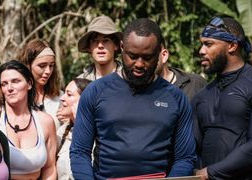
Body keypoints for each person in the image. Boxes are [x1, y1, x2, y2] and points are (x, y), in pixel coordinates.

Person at [70, 18, 196, 180]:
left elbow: (185, 158)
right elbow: (79, 152)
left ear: (159, 53)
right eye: (132, 56)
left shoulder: (176, 98)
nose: (139, 64)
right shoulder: (95, 92)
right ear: (122, 48)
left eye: (147, 57)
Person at [193, 16, 252, 180]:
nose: (201, 51)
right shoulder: (202, 95)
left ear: (232, 46)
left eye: (208, 44)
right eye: (202, 44)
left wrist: (211, 172)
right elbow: (192, 148)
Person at [0, 60, 57, 180]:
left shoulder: (45, 121)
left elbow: (50, 168)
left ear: (29, 84)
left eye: (15, 81)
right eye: (4, 84)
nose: (9, 88)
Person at [18, 39, 63, 129]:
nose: (48, 71)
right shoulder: (17, 97)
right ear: (27, 65)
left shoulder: (61, 97)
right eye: (42, 66)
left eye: (51, 65)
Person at [56, 78, 92, 180]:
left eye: (69, 94)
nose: (62, 98)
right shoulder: (62, 131)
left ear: (84, 99)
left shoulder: (99, 134)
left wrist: (79, 120)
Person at [77, 15, 123, 81]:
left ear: (116, 46)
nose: (100, 45)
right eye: (95, 41)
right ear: (89, 47)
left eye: (106, 40)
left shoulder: (128, 79)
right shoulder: (80, 83)